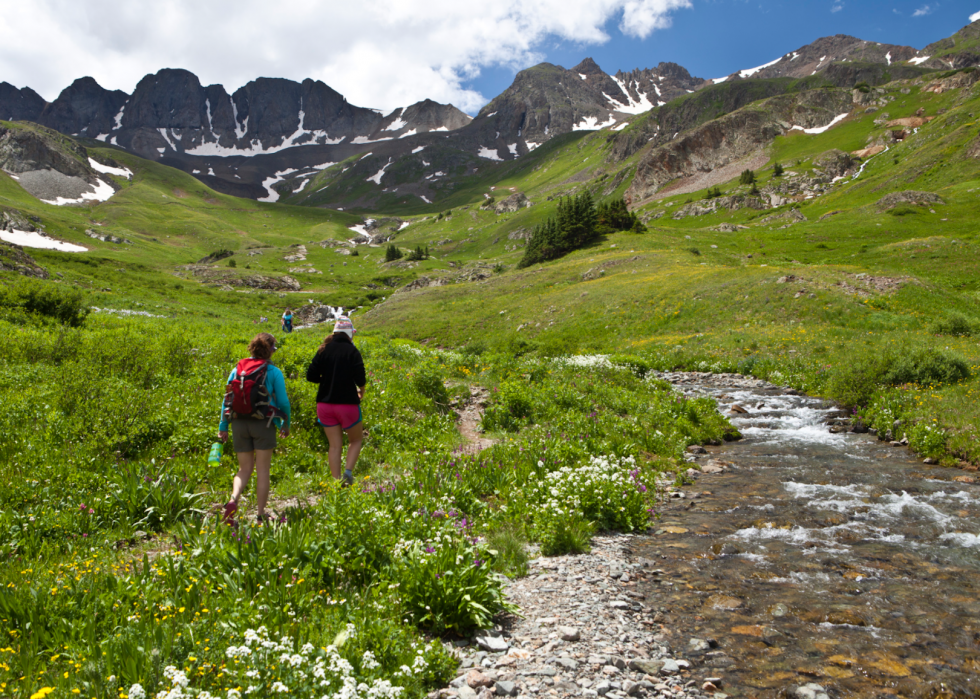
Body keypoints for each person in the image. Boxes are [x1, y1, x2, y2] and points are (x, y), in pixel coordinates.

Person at [218, 332, 291, 524]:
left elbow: (227, 398)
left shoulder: (237, 370)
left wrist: (223, 425)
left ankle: (233, 499)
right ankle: (260, 515)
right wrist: (286, 423)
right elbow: (283, 402)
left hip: (239, 423)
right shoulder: (274, 372)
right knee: (263, 470)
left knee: (244, 469)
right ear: (270, 350)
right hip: (263, 423)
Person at [306, 316, 366, 486]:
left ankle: (336, 482)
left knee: (334, 446)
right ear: (350, 333)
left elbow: (310, 376)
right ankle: (348, 473)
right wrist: (361, 389)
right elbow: (360, 376)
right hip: (347, 404)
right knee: (355, 440)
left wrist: (326, 380)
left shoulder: (323, 349)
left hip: (324, 405)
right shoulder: (352, 351)